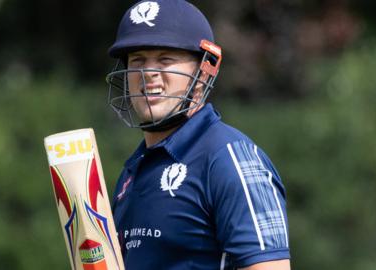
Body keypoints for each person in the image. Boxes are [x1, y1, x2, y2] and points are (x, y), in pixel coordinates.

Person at [105, 0, 290, 269]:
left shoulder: (231, 159)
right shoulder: (131, 174)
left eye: (165, 59)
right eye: (138, 61)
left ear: (204, 70)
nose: (148, 73)